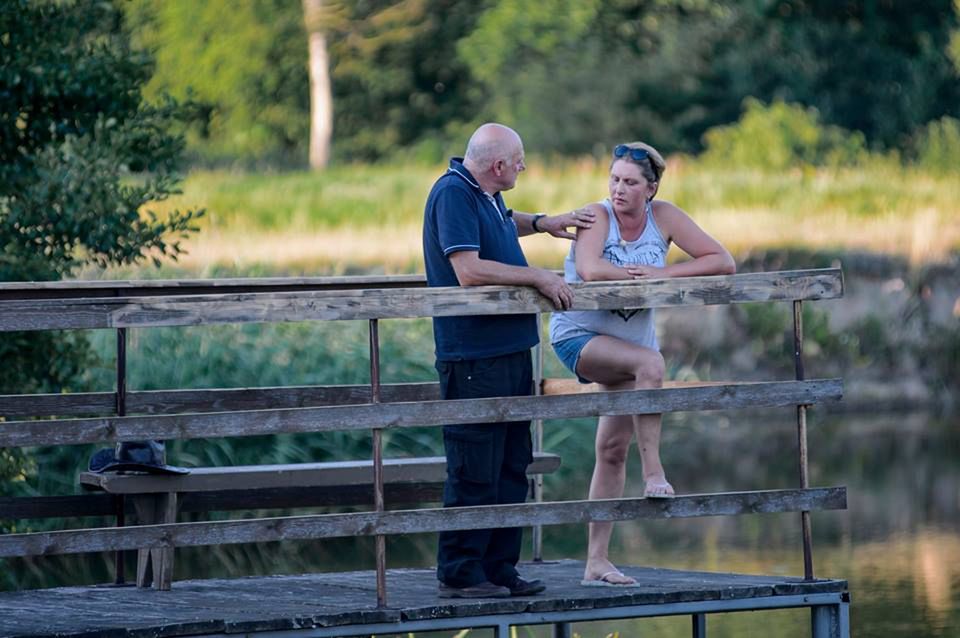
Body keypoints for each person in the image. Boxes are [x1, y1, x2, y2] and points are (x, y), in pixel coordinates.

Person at [549, 141, 736, 587]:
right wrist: (640, 275)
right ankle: (655, 474)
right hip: (581, 338)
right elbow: (591, 270)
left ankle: (596, 561)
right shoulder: (596, 217)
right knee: (653, 365)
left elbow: (722, 261)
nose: (618, 189)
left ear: (650, 189)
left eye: (630, 182)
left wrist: (665, 275)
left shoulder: (665, 217)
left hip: (629, 349)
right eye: (614, 179)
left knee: (611, 451)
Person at [422, 122, 595, 599]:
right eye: (519, 160)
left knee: (511, 465)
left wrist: (542, 223)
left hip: (510, 350)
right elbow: (469, 269)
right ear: (498, 165)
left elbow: (503, 219)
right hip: (474, 355)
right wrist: (537, 276)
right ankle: (460, 572)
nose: (523, 166)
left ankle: (499, 568)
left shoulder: (483, 192)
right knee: (475, 465)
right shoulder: (453, 194)